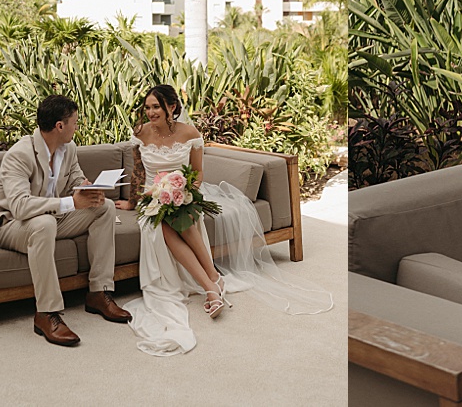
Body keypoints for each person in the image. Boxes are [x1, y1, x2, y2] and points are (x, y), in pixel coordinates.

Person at [115, 84, 333, 356]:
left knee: (181, 217)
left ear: (171, 107)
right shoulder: (140, 133)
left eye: (156, 107)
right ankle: (212, 284)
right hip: (151, 195)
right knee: (165, 224)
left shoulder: (190, 134)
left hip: (183, 190)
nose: (150, 112)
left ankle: (212, 283)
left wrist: (182, 193)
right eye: (147, 107)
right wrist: (134, 201)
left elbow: (197, 175)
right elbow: (137, 173)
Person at [0, 94, 131, 347]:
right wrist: (71, 202)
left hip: (50, 219)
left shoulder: (69, 149)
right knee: (44, 224)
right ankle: (46, 313)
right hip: (8, 224)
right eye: (74, 122)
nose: (76, 127)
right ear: (60, 126)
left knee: (104, 207)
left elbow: (75, 180)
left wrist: (87, 189)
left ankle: (99, 293)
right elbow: (19, 206)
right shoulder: (19, 154)